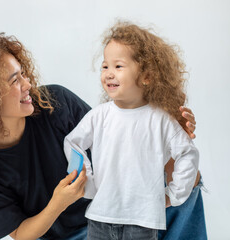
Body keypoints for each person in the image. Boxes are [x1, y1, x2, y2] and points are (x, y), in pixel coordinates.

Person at [0, 31, 198, 240]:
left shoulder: (55, 102)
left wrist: (170, 140)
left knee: (189, 184)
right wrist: (58, 203)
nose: (27, 84)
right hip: (72, 235)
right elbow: (20, 234)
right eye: (14, 80)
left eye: (22, 75)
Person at [63, 21, 205, 240]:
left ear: (146, 76)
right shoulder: (98, 116)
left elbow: (187, 153)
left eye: (118, 66)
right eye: (105, 66)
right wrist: (87, 182)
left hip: (143, 222)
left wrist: (174, 195)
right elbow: (73, 143)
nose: (109, 73)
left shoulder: (161, 120)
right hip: (100, 218)